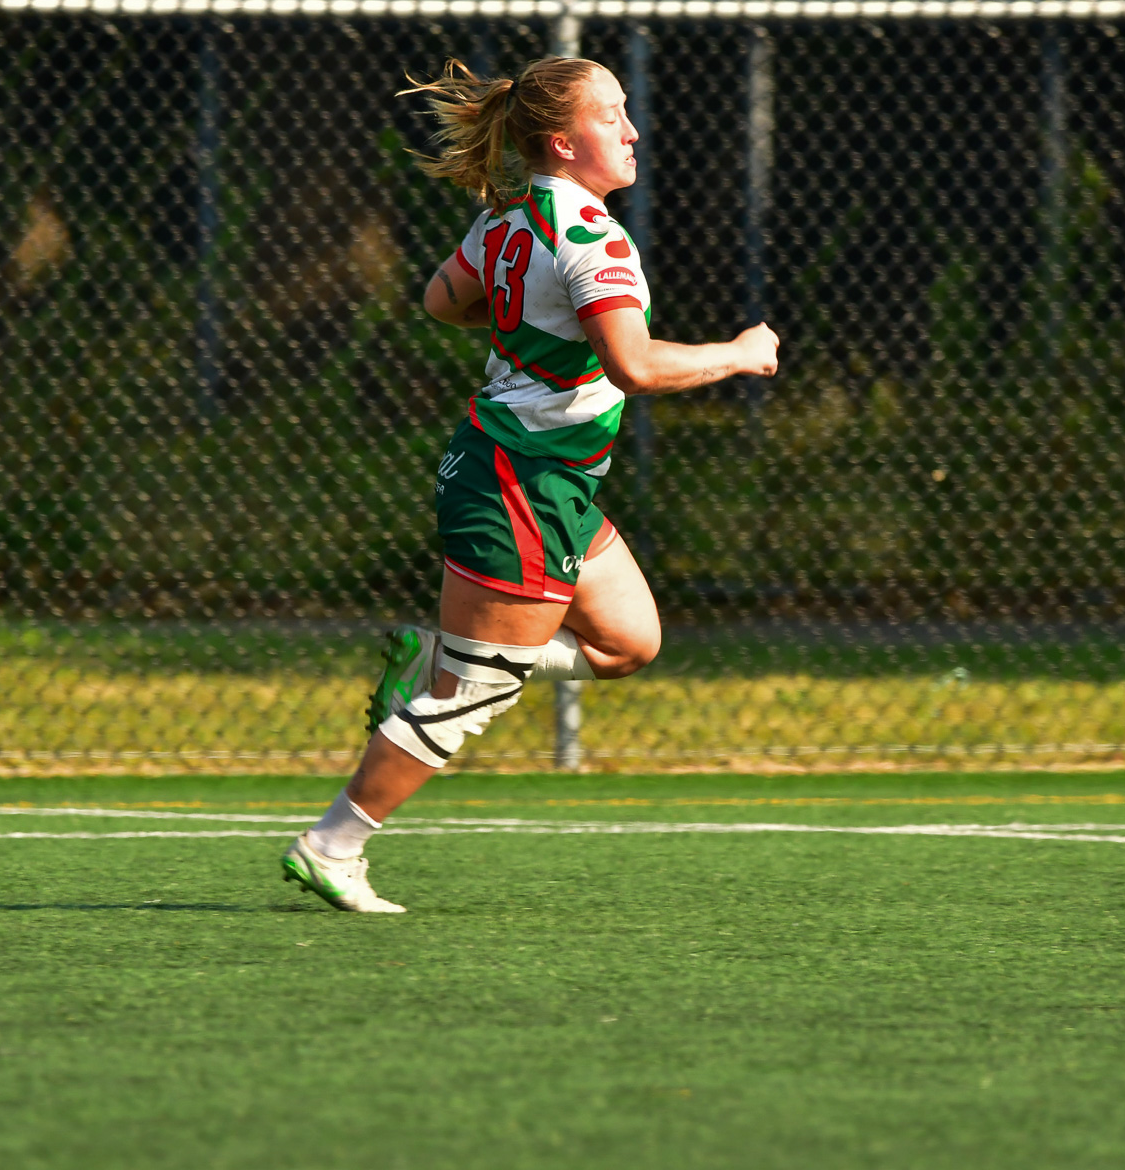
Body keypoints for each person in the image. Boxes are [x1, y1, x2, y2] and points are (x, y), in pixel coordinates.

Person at [282, 55, 780, 913]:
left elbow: (443, 300)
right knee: (475, 693)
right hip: (517, 480)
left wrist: (526, 320)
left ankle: (440, 659)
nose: (631, 130)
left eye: (628, 110)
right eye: (612, 116)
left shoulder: (512, 220)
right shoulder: (589, 237)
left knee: (629, 645)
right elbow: (636, 368)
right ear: (561, 140)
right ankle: (333, 844)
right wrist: (739, 354)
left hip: (546, 478)